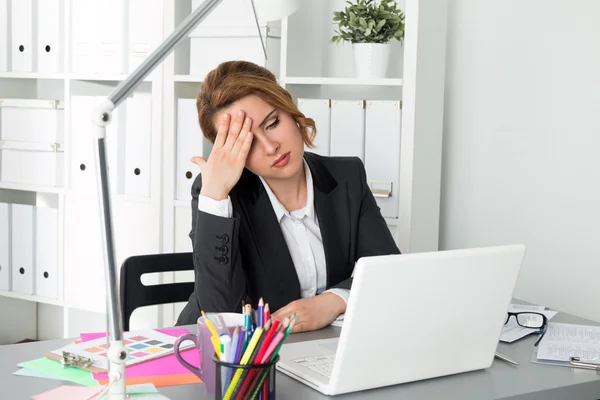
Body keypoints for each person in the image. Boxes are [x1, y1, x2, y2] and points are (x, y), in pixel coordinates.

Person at [176, 61, 400, 333]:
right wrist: (214, 197)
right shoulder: (218, 194)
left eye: (272, 123)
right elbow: (220, 316)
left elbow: (388, 271)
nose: (271, 147)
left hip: (317, 350)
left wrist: (334, 301)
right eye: (248, 143)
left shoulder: (347, 176)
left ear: (288, 107)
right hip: (228, 359)